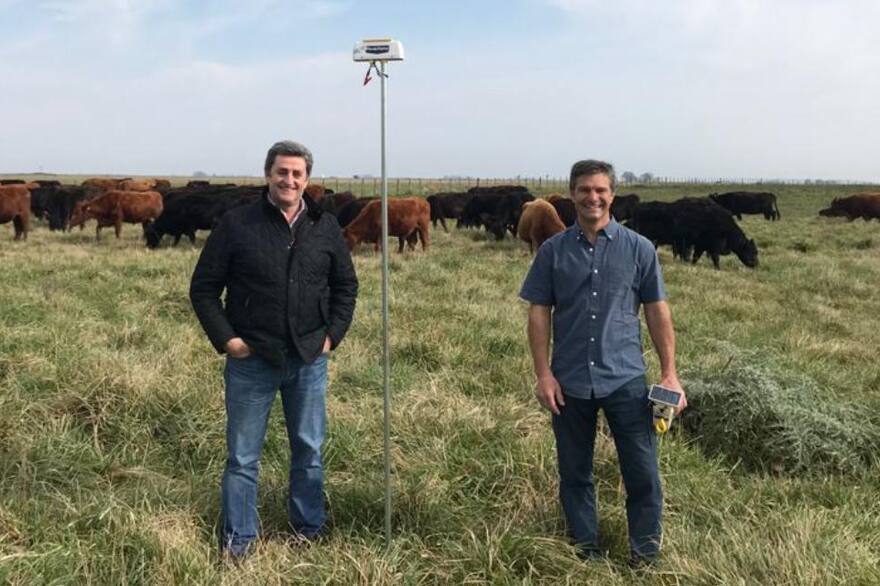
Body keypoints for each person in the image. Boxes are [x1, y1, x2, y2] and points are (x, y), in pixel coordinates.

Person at [190, 140, 358, 559]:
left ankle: (308, 529)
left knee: (309, 450)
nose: (290, 180)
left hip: (308, 360)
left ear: (307, 180)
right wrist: (229, 340)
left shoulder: (325, 226)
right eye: (282, 172)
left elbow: (346, 287)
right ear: (268, 174)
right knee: (243, 456)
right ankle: (239, 541)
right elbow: (204, 289)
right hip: (252, 360)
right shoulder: (237, 224)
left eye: (298, 173)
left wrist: (331, 336)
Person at [519, 159, 685, 567]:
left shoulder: (639, 249)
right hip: (569, 382)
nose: (592, 197)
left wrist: (669, 373)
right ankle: (584, 550)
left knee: (643, 474)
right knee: (574, 472)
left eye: (600, 190)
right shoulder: (553, 252)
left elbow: (657, 310)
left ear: (612, 194)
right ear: (572, 194)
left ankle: (644, 554)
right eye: (584, 190)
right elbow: (539, 311)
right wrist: (543, 374)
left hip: (626, 379)